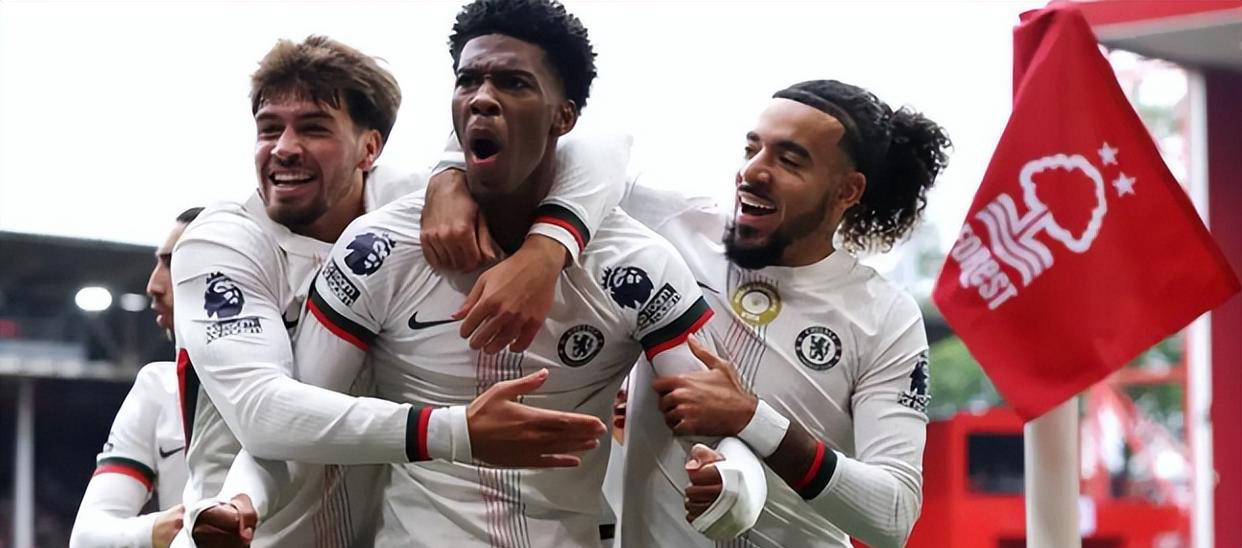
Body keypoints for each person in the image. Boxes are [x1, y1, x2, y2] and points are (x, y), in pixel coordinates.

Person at [195, 0, 769, 545]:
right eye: (467, 81)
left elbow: (722, 432)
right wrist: (241, 500)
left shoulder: (636, 261)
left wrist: (732, 489)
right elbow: (291, 419)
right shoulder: (378, 246)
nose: (482, 99)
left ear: (564, 115)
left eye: (514, 83)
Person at [429, 79, 951, 547]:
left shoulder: (886, 317)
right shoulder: (677, 227)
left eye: (790, 160)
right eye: (752, 148)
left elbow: (893, 516)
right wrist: (448, 177)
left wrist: (753, 419)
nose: (753, 171)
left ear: (847, 191)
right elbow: (592, 144)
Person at [170, 32, 629, 547]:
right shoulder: (222, 243)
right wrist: (457, 432)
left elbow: (606, 147)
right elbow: (263, 415)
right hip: (244, 530)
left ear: (370, 148)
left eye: (314, 128)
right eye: (269, 128)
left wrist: (546, 247)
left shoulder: (403, 212)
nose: (284, 148)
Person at [70, 206, 202, 548]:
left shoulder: (302, 375)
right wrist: (161, 528)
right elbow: (86, 536)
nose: (153, 285)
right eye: (158, 263)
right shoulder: (157, 387)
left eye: (173, 263)